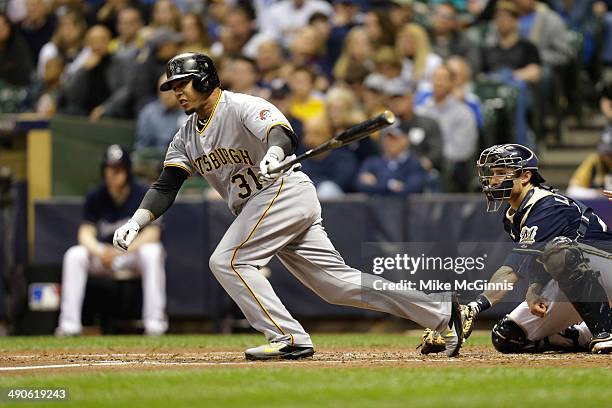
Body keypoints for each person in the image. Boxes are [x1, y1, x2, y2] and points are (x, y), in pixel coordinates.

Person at [112, 52, 465, 360]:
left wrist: (275, 153)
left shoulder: (240, 105)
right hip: (266, 205)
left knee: (228, 261)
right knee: (336, 286)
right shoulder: (186, 135)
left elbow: (280, 130)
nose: (177, 90)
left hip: (281, 190)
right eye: (174, 85)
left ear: (205, 79)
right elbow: (167, 183)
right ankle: (440, 311)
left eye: (184, 82)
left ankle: (288, 337)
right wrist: (138, 220)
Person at [419, 144, 612, 354]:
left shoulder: (547, 206)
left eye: (501, 173)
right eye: (492, 174)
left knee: (561, 251)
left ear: (526, 176)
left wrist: (474, 307)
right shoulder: (514, 214)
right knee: (507, 336)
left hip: (605, 268)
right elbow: (537, 258)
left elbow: (513, 270)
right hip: (578, 282)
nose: (493, 180)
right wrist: (535, 288)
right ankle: (583, 334)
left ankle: (606, 332)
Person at [56, 145, 167, 337]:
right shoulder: (96, 195)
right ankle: (69, 325)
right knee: (74, 255)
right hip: (106, 254)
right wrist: (100, 251)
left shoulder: (142, 193)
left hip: (130, 253)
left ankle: (155, 324)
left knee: (153, 252)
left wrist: (121, 250)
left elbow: (153, 234)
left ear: (127, 171)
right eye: (109, 169)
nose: (113, 174)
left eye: (118, 170)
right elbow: (85, 233)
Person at [355, 122, 428, 196]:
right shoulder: (372, 162)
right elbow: (359, 185)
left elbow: (413, 188)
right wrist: (392, 185)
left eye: (394, 138)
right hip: (377, 206)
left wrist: (377, 184)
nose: (388, 142)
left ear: (405, 140)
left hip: (404, 207)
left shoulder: (414, 163)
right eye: (386, 138)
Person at [136, 74, 187, 151]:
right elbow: (142, 147)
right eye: (162, 91)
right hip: (153, 160)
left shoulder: (188, 112)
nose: (166, 96)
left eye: (169, 91)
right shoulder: (149, 113)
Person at [567, 128, 612, 199]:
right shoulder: (594, 161)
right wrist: (596, 193)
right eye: (606, 153)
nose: (607, 157)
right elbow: (572, 191)